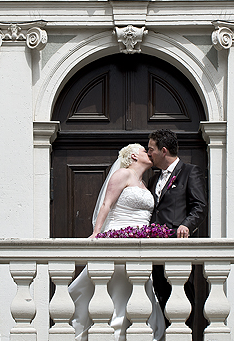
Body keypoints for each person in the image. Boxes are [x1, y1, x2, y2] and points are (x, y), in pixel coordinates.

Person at [68, 144, 166, 341]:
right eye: (143, 150)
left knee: (138, 291)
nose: (148, 152)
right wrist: (97, 233)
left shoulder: (145, 183)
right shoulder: (122, 174)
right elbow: (107, 204)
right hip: (120, 237)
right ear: (133, 156)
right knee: (120, 291)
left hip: (140, 246)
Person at [147, 129, 207, 319]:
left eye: (151, 149)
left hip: (177, 245)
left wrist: (187, 225)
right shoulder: (153, 179)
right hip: (153, 246)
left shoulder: (190, 172)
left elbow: (200, 205)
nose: (148, 154)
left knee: (181, 296)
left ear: (163, 150)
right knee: (158, 295)